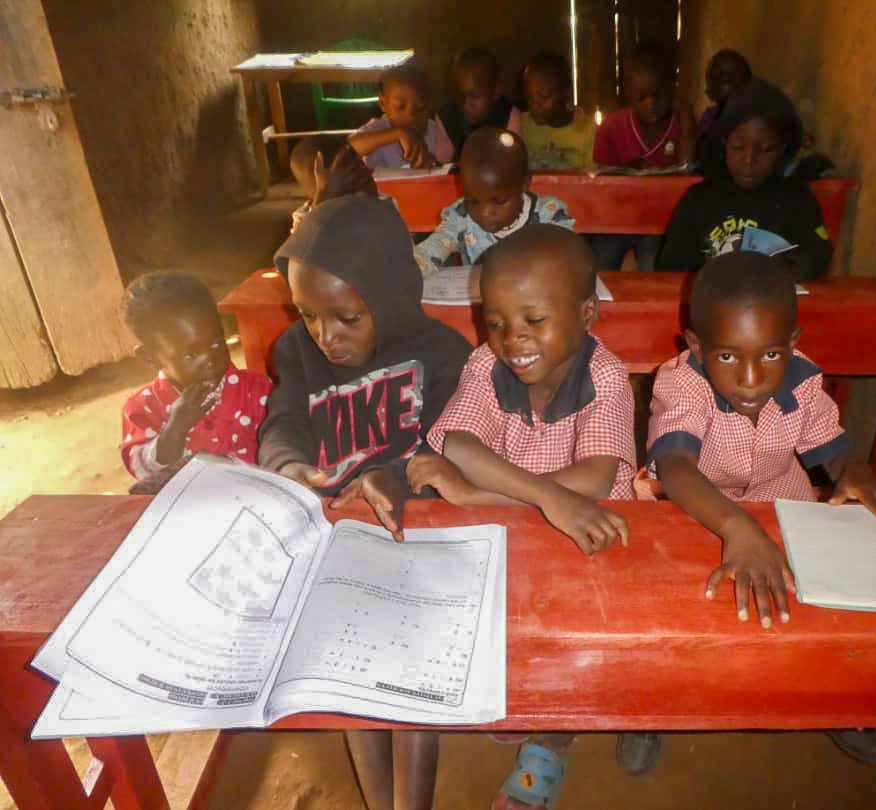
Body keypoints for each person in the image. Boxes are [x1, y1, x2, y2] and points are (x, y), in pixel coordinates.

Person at [409, 225, 661, 807]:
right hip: (525, 523)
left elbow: (595, 480)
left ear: (588, 314)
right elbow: (463, 448)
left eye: (534, 321)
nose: (511, 339)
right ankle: (531, 693)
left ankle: (560, 733)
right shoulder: (485, 365)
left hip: (599, 533)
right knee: (501, 617)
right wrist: (544, 498)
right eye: (494, 322)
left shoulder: (606, 377)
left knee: (587, 634)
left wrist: (478, 497)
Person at [646, 252, 876, 764]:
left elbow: (829, 446)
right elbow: (675, 467)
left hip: (780, 498)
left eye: (769, 356)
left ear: (792, 343)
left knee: (821, 595)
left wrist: (853, 469)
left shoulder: (804, 380)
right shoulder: (679, 382)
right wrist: (734, 525)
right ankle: (657, 706)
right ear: (696, 347)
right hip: (696, 508)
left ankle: (836, 698)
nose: (751, 378)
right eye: (727, 358)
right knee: (677, 606)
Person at [258, 194, 472, 810]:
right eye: (307, 314)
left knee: (407, 674)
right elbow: (285, 419)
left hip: (415, 531)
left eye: (346, 317)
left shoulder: (443, 356)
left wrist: (397, 477)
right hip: (337, 533)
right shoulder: (298, 351)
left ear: (388, 295)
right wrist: (286, 462)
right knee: (346, 666)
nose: (326, 336)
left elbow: (447, 449)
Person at [656, 77, 833, 280]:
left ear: (782, 150)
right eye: (738, 147)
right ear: (724, 145)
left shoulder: (796, 198)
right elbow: (670, 267)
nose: (749, 159)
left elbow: (818, 256)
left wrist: (786, 268)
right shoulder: (698, 200)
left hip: (776, 305)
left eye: (765, 149)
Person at [120, 271, 272, 490]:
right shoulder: (142, 408)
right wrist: (176, 428)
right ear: (150, 357)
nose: (210, 360)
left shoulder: (258, 390)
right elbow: (144, 471)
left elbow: (282, 445)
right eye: (191, 354)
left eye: (216, 343)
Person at [413, 128, 574, 277]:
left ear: (524, 183)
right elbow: (430, 251)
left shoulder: (548, 216)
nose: (484, 213)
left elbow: (567, 256)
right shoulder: (461, 217)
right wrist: (408, 271)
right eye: (472, 200)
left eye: (499, 201)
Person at [591, 42, 694, 271]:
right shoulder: (612, 126)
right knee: (600, 265)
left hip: (658, 222)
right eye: (641, 97)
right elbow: (600, 181)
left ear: (672, 89)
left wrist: (686, 116)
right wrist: (627, 172)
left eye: (659, 95)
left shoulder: (680, 125)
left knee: (654, 266)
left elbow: (687, 168)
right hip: (616, 220)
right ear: (628, 93)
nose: (651, 104)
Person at [348, 63, 454, 169]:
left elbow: (446, 166)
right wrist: (398, 134)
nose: (411, 115)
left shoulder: (435, 133)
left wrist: (432, 164)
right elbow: (347, 149)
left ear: (430, 105)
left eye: (420, 108)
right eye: (400, 107)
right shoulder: (377, 129)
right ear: (383, 104)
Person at [435, 47, 522, 159]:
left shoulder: (509, 114)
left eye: (475, 96)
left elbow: (514, 160)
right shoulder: (446, 117)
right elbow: (441, 165)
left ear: (496, 91)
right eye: (461, 95)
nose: (466, 104)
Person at [519, 52, 596, 171]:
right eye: (529, 97)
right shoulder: (521, 126)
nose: (535, 104)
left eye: (544, 96)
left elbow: (593, 181)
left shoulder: (588, 131)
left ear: (566, 94)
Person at [288, 138, 378, 233]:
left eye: (359, 162)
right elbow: (304, 244)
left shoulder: (377, 208)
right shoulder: (303, 221)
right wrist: (324, 194)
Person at [696, 49, 752, 142]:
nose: (711, 85)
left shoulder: (754, 121)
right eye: (711, 77)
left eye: (723, 77)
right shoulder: (710, 116)